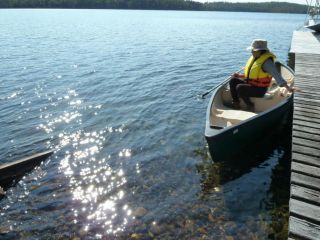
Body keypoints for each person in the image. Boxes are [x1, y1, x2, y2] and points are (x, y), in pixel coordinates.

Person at [227, 39, 295, 111]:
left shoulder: (267, 63)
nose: (251, 51)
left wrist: (288, 88)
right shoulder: (256, 58)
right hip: (251, 85)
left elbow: (277, 75)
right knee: (233, 81)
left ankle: (250, 104)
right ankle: (236, 103)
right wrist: (239, 76)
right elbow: (251, 75)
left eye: (253, 50)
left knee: (240, 87)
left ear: (259, 51)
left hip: (260, 90)